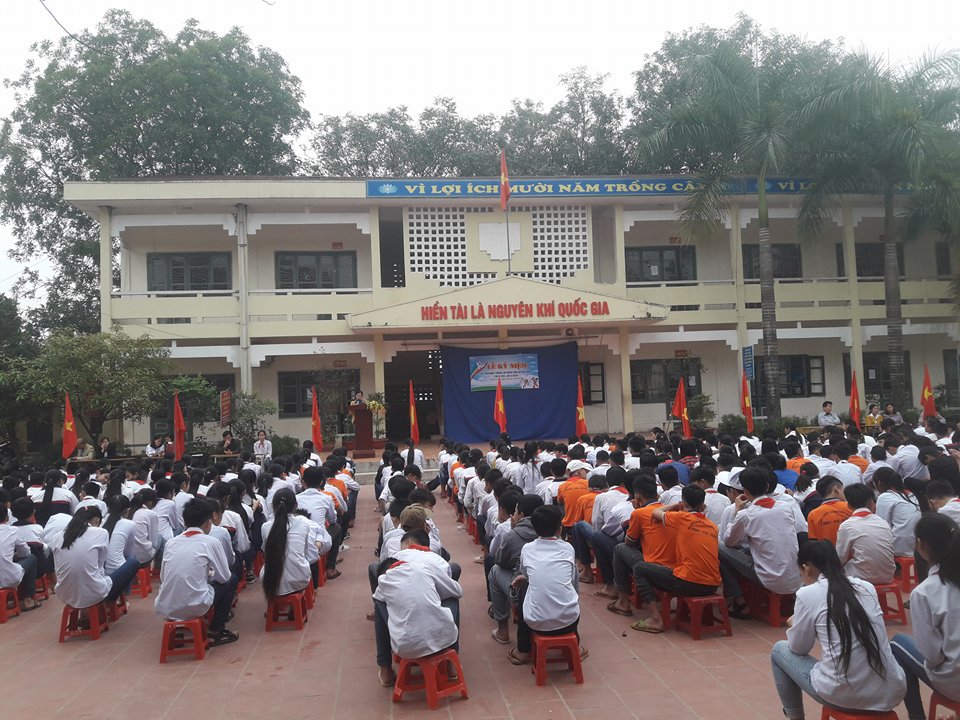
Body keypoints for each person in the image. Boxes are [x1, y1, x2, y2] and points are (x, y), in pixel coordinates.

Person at [770, 540, 906, 720]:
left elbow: (798, 648)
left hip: (844, 695)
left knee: (779, 650)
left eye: (801, 574)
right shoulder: (866, 587)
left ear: (806, 569)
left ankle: (795, 717)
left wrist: (794, 624)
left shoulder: (807, 594)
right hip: (891, 691)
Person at [890, 514, 960, 720]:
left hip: (955, 682)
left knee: (897, 644)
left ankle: (916, 716)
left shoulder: (925, 592)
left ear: (920, 545)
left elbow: (932, 655)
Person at [373, 529, 463, 687]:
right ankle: (450, 664)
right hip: (443, 639)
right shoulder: (428, 563)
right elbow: (457, 591)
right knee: (452, 596)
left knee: (379, 601)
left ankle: (385, 669)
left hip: (403, 647)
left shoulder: (383, 580)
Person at [627, 485, 722, 633]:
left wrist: (675, 506)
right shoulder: (712, 526)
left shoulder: (682, 518)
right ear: (703, 506)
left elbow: (655, 513)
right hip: (713, 584)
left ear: (683, 504)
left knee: (639, 568)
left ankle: (655, 619)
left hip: (690, 582)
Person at [720, 467, 805, 619]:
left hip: (768, 578)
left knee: (719, 547)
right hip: (795, 576)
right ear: (767, 486)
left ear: (745, 491)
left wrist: (736, 511)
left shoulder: (745, 515)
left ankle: (739, 599)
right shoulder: (785, 507)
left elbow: (729, 542)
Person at [507, 505, 585, 665]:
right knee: (569, 588)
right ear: (559, 529)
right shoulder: (568, 548)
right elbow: (571, 580)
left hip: (536, 622)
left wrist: (526, 578)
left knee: (524, 587)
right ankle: (575, 646)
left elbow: (527, 574)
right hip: (569, 620)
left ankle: (523, 650)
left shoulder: (527, 549)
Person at [154, 498, 239, 646]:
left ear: (185, 523)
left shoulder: (171, 543)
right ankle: (216, 630)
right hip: (195, 604)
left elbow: (163, 577)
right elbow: (224, 577)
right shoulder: (210, 542)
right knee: (232, 580)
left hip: (166, 604)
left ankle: (178, 630)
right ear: (208, 523)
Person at [50, 507, 140, 610]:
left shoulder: (56, 537)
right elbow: (100, 564)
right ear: (96, 519)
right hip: (94, 593)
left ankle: (93, 606)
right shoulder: (100, 532)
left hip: (64, 595)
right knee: (133, 562)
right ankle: (111, 601)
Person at [489, 493, 542, 645]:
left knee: (494, 571)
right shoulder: (554, 534)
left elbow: (500, 561)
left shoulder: (513, 535)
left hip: (523, 591)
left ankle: (503, 630)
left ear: (522, 515)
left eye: (516, 511)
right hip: (559, 598)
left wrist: (514, 531)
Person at [835, 483, 896, 584]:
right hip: (888, 575)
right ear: (872, 502)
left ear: (848, 506)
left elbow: (840, 558)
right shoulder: (882, 522)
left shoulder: (847, 526)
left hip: (862, 578)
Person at [260, 488, 312, 600]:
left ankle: (275, 605)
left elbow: (265, 552)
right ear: (296, 505)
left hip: (268, 580)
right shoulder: (303, 524)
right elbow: (305, 552)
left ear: (272, 506)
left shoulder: (265, 527)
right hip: (299, 579)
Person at [0, 504, 40, 612]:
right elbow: (25, 552)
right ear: (7, 518)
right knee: (32, 558)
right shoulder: (12, 530)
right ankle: (27, 599)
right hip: (6, 577)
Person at [873, 467, 921, 557]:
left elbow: (882, 527)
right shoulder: (910, 494)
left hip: (899, 548)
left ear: (879, 483)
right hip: (917, 547)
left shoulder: (885, 497)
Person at [806, 477, 852, 546]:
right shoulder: (850, 507)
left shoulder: (813, 514)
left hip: (827, 552)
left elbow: (814, 542)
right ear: (837, 489)